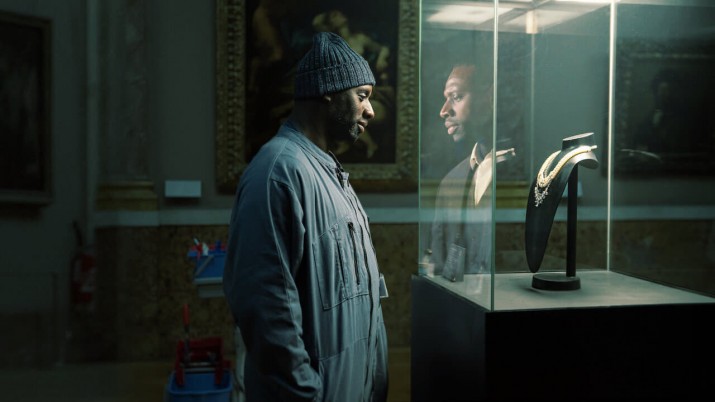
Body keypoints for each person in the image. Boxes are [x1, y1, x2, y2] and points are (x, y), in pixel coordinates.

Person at [223, 31, 389, 402]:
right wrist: (306, 394)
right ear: (329, 90)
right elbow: (266, 311)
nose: (371, 111)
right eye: (362, 96)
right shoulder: (278, 173)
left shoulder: (327, 171)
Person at [426, 64, 513, 282]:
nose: (444, 110)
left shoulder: (523, 170)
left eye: (456, 97)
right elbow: (440, 270)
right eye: (446, 99)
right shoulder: (450, 183)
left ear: (490, 97)